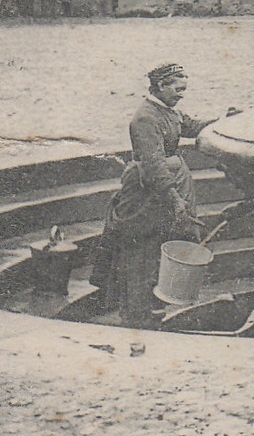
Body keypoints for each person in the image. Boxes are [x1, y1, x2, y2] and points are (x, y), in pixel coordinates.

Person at [90, 63, 216, 328]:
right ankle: (137, 313)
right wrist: (174, 197)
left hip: (164, 186)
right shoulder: (145, 118)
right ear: (160, 86)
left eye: (184, 89)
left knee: (161, 246)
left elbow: (190, 126)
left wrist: (222, 119)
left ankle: (152, 307)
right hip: (147, 193)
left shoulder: (166, 110)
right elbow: (151, 164)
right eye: (177, 89)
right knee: (141, 251)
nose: (181, 94)